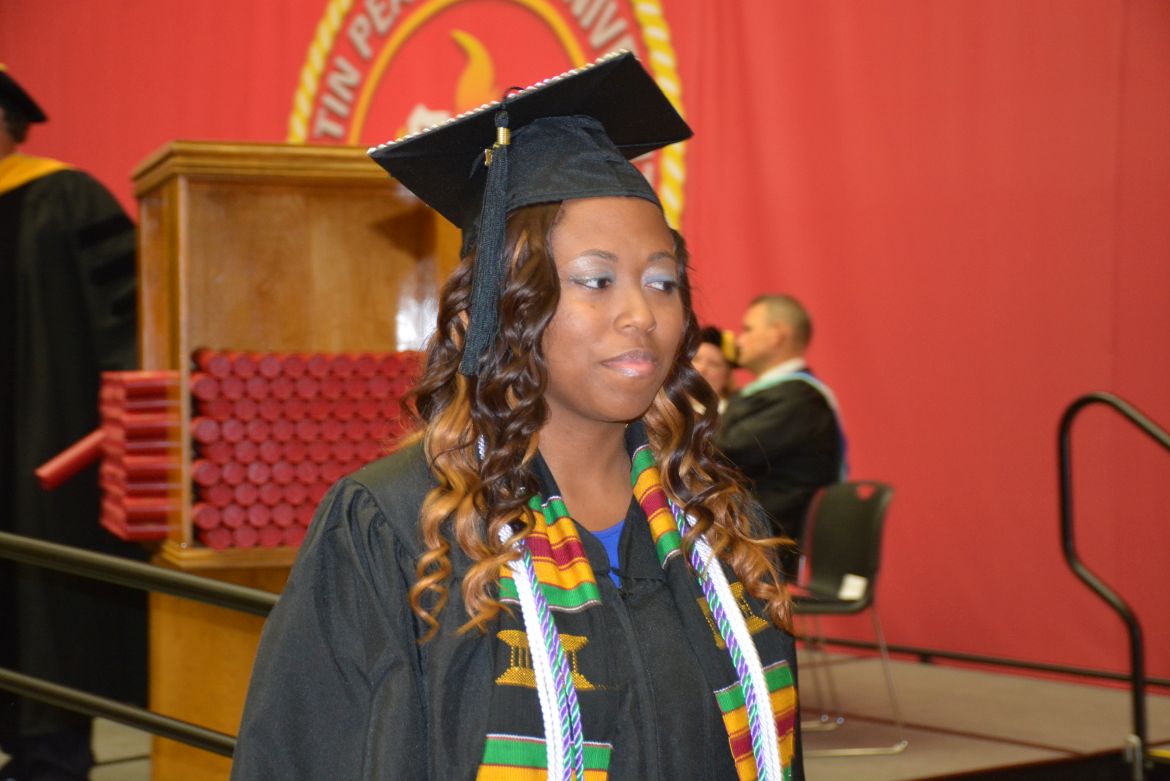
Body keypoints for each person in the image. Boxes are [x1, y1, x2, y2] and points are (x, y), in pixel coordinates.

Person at [232, 53, 804, 780]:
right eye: (596, 280)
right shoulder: (400, 530)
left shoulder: (720, 522)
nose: (641, 314)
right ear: (495, 313)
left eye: (663, 282)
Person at [0, 65, 145, 780]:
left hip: (42, 450)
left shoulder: (65, 199)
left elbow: (132, 324)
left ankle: (49, 758)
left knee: (42, 622)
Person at [715, 295, 845, 559]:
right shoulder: (779, 396)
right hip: (752, 538)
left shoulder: (799, 400)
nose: (739, 340)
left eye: (748, 329)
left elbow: (723, 453)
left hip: (770, 549)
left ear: (776, 336)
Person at [693, 325, 738, 412]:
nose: (701, 369)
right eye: (696, 359)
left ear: (727, 376)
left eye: (713, 364)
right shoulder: (667, 406)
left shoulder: (731, 413)